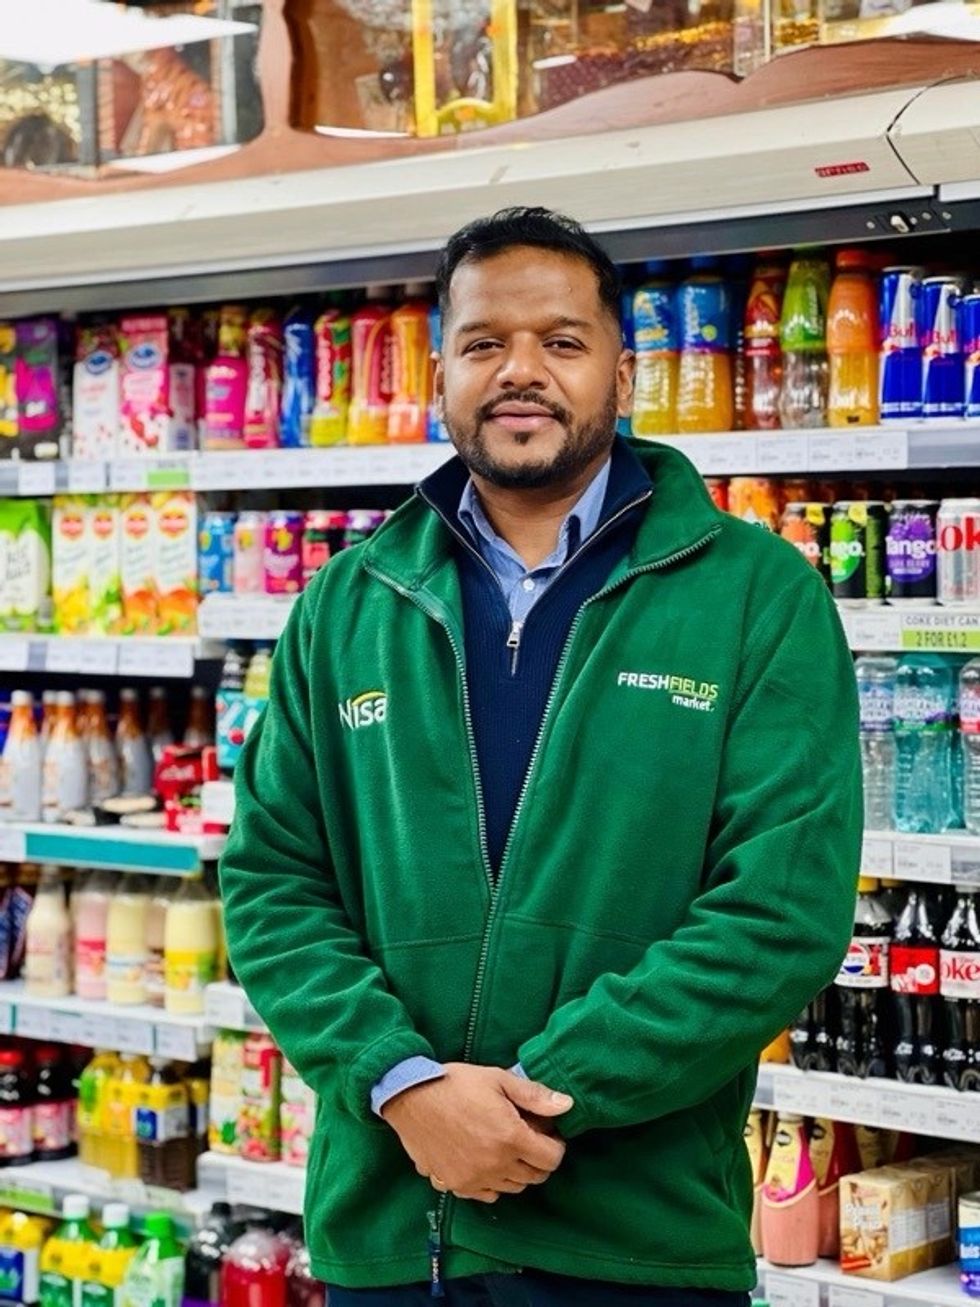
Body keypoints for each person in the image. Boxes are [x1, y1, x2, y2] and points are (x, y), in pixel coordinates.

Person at [219, 207, 862, 1306]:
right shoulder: (347, 601)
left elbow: (779, 911)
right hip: (389, 1234)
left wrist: (533, 1097)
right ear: (440, 373)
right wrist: (403, 1083)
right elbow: (274, 880)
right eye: (483, 343)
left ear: (622, 371)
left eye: (561, 341)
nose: (521, 371)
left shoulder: (755, 593)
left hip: (635, 1244)